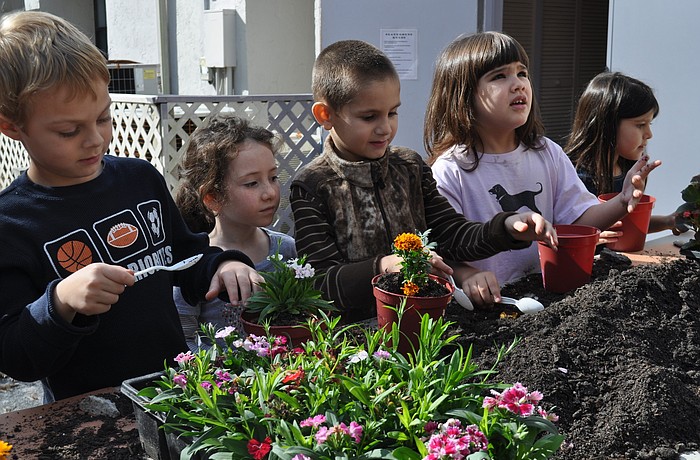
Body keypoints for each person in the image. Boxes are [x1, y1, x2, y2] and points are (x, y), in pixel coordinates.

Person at [0, 11, 261, 402]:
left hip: (175, 388)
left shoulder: (140, 179)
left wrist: (223, 265)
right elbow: (17, 358)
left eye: (103, 117)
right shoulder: (11, 223)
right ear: (11, 125)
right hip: (89, 414)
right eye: (69, 131)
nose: (95, 140)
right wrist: (60, 302)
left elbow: (187, 256)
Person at [289, 39, 558, 322]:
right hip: (356, 342)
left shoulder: (409, 167)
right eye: (369, 117)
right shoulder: (313, 186)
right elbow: (319, 282)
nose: (385, 128)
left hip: (427, 327)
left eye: (393, 113)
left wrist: (506, 228)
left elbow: (452, 236)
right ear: (325, 115)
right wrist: (384, 265)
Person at [424, 32, 660, 303]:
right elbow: (439, 251)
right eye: (499, 76)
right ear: (462, 95)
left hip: (544, 300)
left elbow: (577, 221)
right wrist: (465, 274)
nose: (518, 85)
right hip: (491, 308)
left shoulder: (546, 152)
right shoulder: (450, 170)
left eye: (522, 73)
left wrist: (622, 199)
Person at [174, 116, 296, 351]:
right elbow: (184, 340)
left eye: (273, 178)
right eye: (252, 183)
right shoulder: (195, 265)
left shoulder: (287, 249)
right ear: (213, 197)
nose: (269, 192)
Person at [566, 71, 684, 234]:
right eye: (640, 124)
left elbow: (627, 224)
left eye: (650, 124)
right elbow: (570, 229)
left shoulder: (627, 169)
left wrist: (668, 221)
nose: (649, 134)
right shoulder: (573, 175)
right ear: (607, 124)